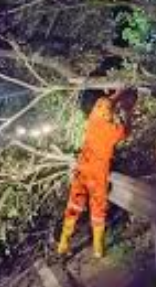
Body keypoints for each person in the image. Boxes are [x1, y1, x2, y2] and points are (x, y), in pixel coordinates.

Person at [57, 88, 138, 258]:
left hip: (83, 168)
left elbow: (108, 103)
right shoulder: (112, 130)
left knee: (74, 205)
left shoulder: (94, 118)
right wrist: (128, 108)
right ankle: (98, 249)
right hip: (98, 172)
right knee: (98, 209)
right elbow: (126, 130)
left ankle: (63, 243)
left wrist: (120, 95)